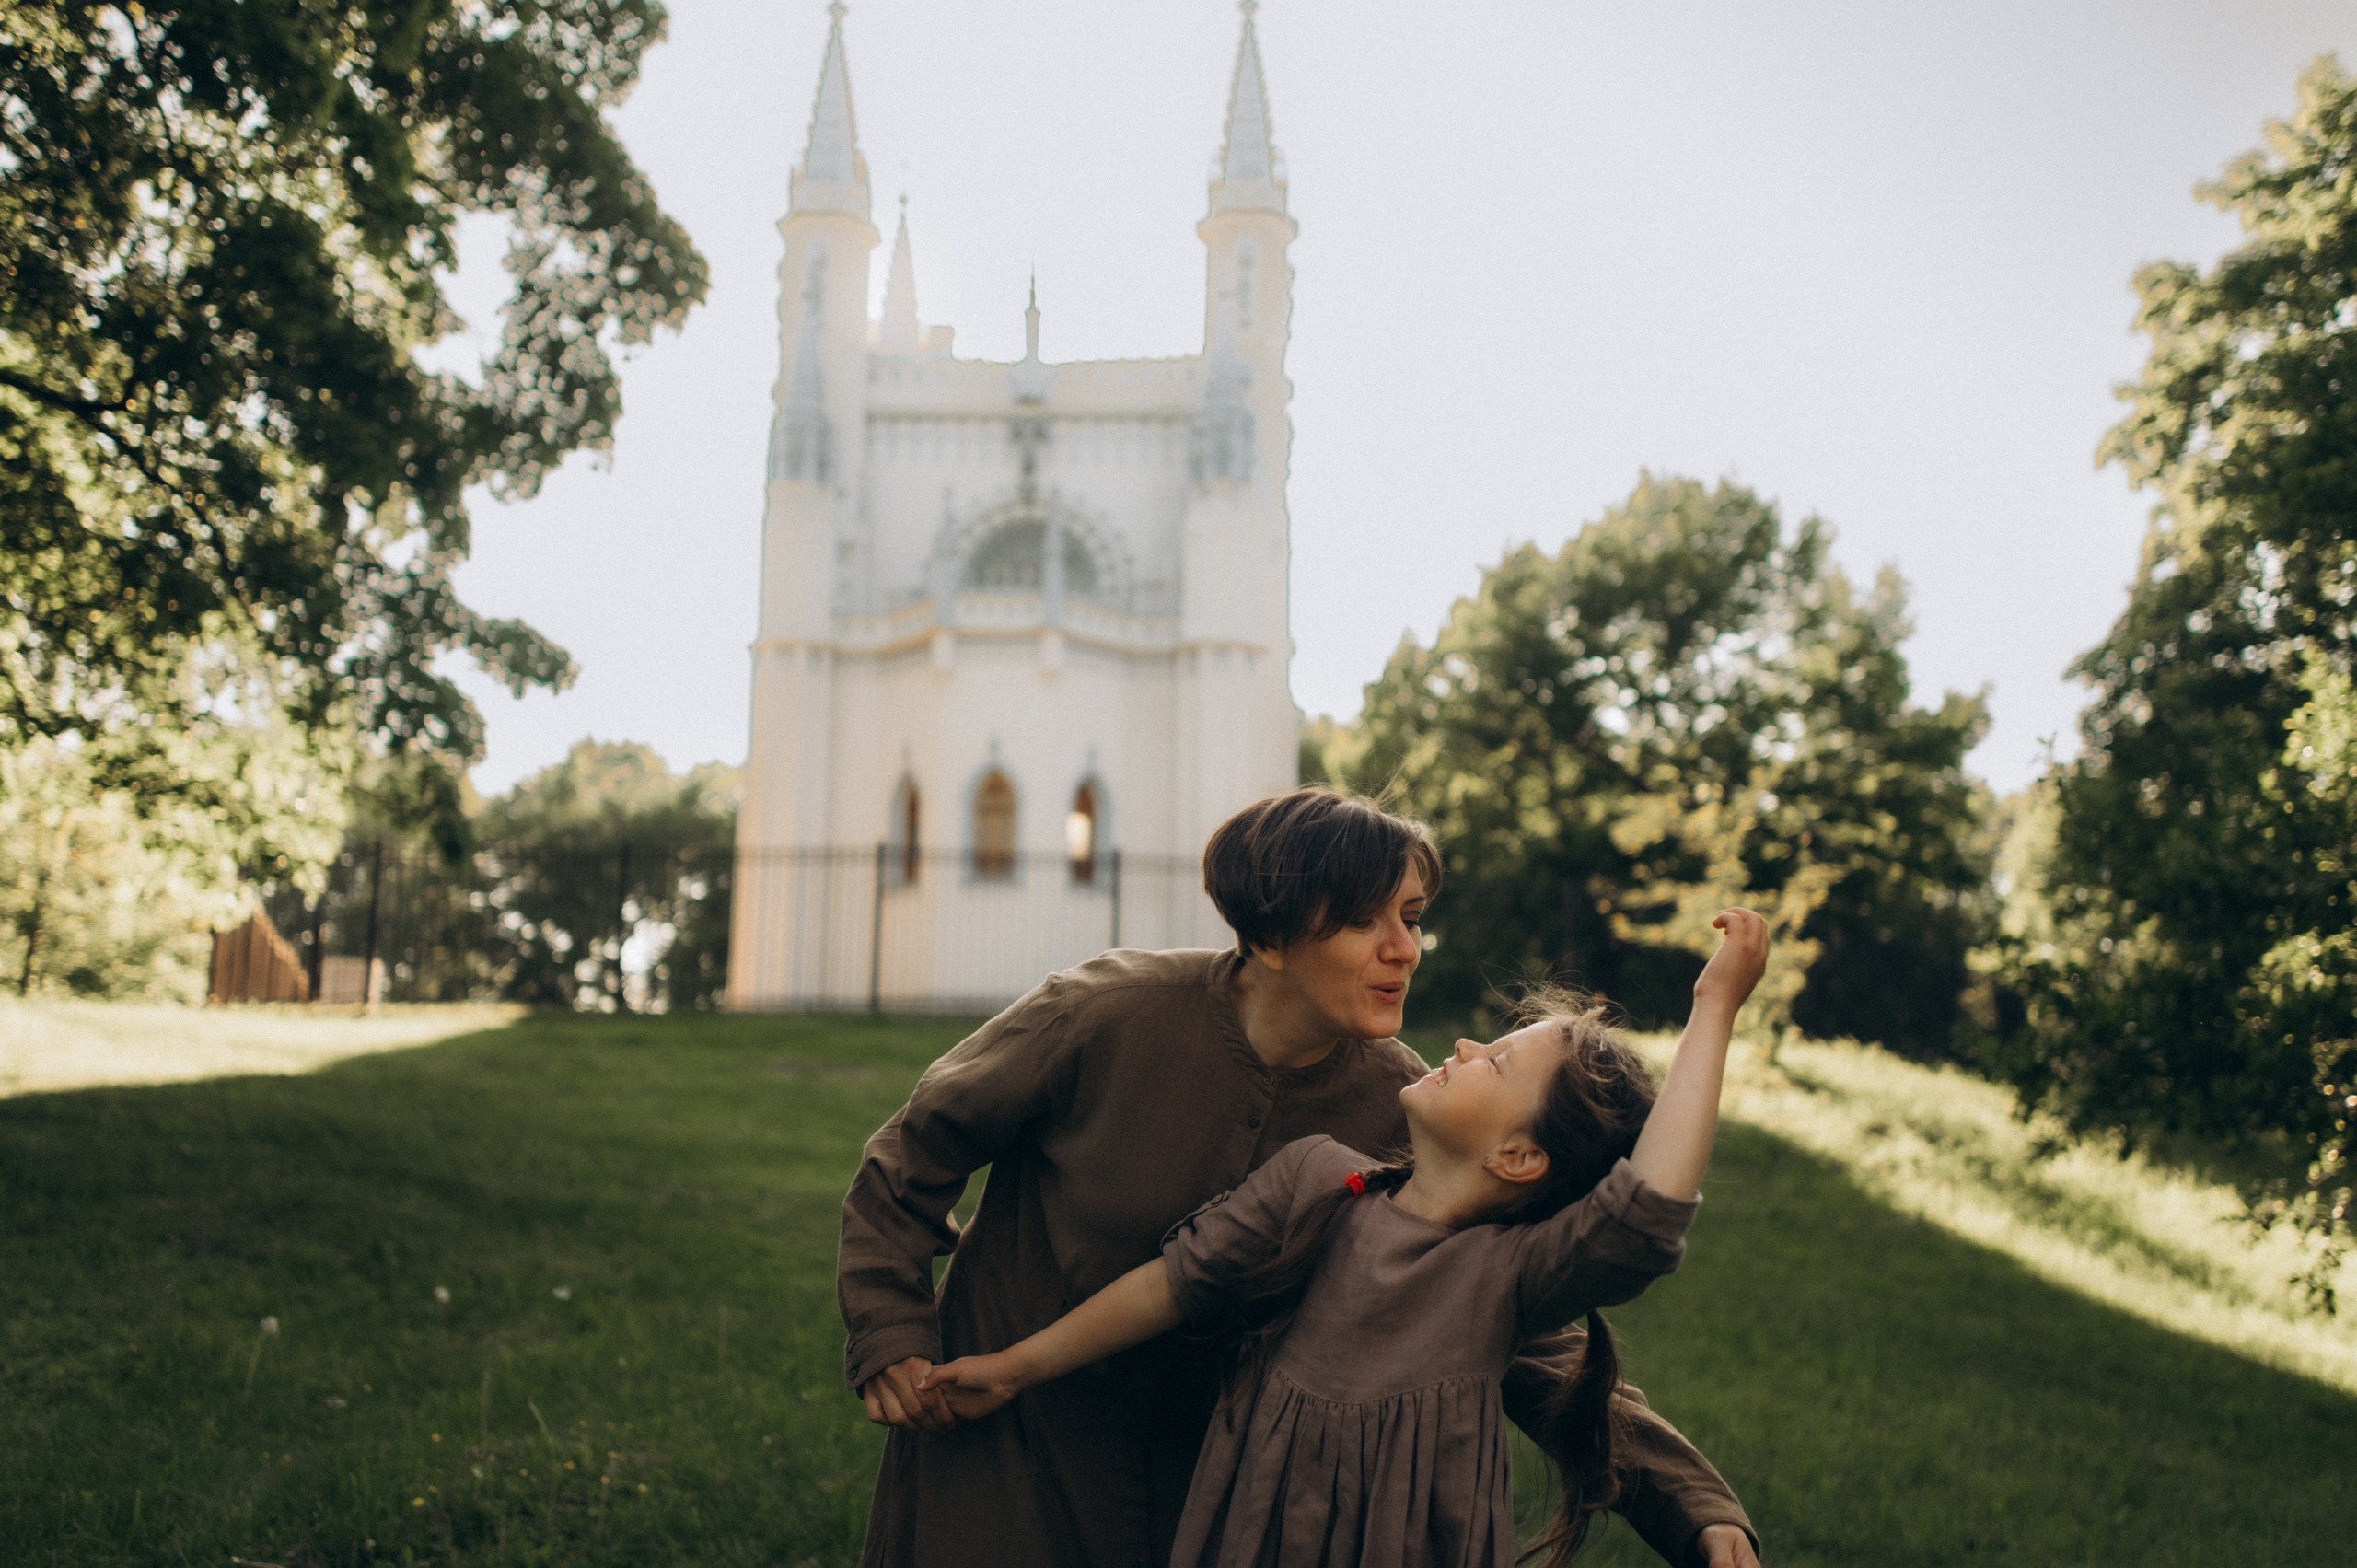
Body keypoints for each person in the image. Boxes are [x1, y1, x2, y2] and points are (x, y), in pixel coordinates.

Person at [838, 787, 1763, 1568]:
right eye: (1364, 919)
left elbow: (1515, 1330)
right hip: (1005, 1435)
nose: (1402, 946)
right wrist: (890, 1321)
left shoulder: (1402, 1106)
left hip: (1208, 1473)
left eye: (1409, 916)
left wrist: (1689, 1501)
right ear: (1271, 935)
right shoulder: (1106, 1011)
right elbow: (916, 1148)